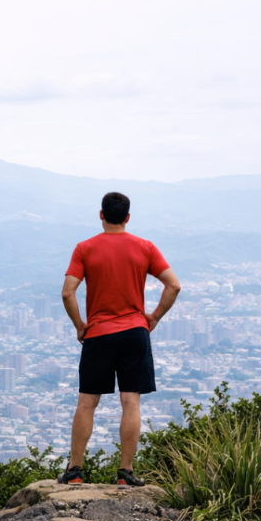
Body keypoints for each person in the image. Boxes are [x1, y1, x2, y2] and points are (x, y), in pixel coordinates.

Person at [58, 192, 180, 487]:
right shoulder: (145, 247)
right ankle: (125, 473)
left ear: (101, 215)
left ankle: (75, 472)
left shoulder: (85, 249)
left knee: (87, 403)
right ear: (127, 217)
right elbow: (173, 285)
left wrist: (79, 326)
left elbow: (67, 292)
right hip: (135, 333)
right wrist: (153, 317)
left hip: (98, 334)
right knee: (131, 402)